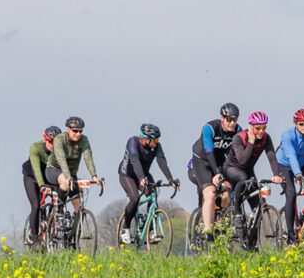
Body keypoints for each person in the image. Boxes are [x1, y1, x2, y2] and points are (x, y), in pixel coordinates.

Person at [117, 124, 178, 244]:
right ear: (146, 138)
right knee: (134, 199)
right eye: (155, 139)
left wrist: (171, 180)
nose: (157, 142)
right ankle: (125, 228)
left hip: (143, 174)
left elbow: (162, 162)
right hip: (127, 175)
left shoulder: (157, 146)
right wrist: (140, 178)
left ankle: (150, 230)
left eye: (158, 139)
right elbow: (134, 159)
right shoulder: (132, 141)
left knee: (153, 195)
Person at [223, 111, 284, 231]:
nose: (261, 131)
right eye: (258, 128)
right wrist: (251, 142)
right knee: (242, 178)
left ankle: (252, 244)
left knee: (258, 206)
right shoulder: (239, 138)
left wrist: (276, 175)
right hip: (232, 169)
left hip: (248, 171)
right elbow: (242, 161)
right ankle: (237, 214)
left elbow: (271, 157)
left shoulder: (266, 138)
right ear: (250, 126)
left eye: (264, 127)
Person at [189, 103, 242, 239]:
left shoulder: (238, 130)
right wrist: (217, 173)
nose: (231, 123)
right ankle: (208, 231)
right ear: (222, 118)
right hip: (202, 161)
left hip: (219, 161)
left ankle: (219, 219)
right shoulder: (210, 128)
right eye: (228, 119)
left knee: (227, 191)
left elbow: (238, 156)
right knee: (210, 193)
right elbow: (209, 151)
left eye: (234, 120)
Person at [275, 109, 304, 245]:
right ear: (295, 124)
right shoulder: (287, 135)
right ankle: (291, 235)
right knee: (291, 193)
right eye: (301, 124)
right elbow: (291, 156)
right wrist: (298, 174)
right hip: (284, 165)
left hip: (302, 164)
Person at [44, 116, 102, 210]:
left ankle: (78, 223)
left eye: (80, 131)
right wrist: (68, 177)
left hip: (71, 173)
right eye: (75, 131)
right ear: (68, 129)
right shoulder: (60, 139)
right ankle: (58, 209)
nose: (78, 134)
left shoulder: (83, 140)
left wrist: (94, 176)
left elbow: (88, 158)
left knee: (79, 207)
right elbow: (61, 159)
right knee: (65, 182)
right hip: (54, 169)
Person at [22, 126, 61, 249]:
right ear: (45, 139)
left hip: (48, 176)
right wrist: (42, 185)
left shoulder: (59, 151)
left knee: (59, 197)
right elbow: (37, 170)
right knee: (36, 205)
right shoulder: (35, 147)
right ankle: (34, 238)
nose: (52, 146)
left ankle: (50, 219)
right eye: (50, 142)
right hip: (32, 176)